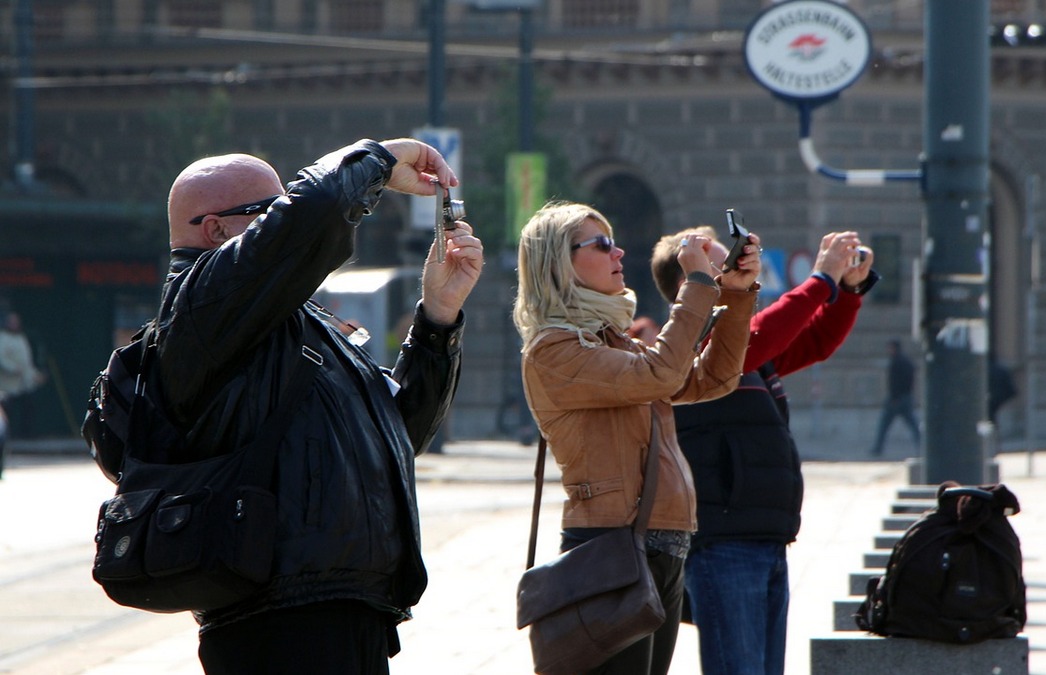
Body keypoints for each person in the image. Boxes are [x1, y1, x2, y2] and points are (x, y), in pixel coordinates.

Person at [150, 138, 482, 674]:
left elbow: (397, 439)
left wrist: (438, 319)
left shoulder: (299, 322)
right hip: (278, 623)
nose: (284, 222)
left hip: (343, 611)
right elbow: (315, 213)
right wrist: (378, 158)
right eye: (269, 213)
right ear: (214, 230)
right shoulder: (201, 304)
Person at [513, 202, 761, 675]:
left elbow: (714, 380)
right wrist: (698, 285)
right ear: (558, 262)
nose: (618, 251)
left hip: (662, 542)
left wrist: (736, 295)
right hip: (610, 543)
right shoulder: (553, 349)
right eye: (601, 244)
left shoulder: (613, 340)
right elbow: (661, 372)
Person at [651, 226, 878, 675]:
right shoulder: (688, 350)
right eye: (723, 263)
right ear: (688, 283)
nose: (740, 267)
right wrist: (822, 280)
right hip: (723, 542)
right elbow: (759, 336)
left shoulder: (739, 347)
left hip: (765, 537)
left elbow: (814, 340)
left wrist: (848, 290)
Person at [0, 310, 47, 440]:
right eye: (12, 322)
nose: (15, 324)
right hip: (7, 384)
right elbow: (2, 359)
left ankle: (27, 435)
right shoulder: (2, 338)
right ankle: (7, 437)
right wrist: (14, 369)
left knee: (28, 409)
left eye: (16, 321)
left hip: (24, 383)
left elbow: (27, 363)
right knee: (7, 413)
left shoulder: (21, 338)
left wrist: (36, 375)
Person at [871, 338, 921, 457]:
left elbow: (894, 382)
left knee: (884, 425)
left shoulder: (896, 362)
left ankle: (878, 448)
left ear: (894, 348)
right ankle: (922, 446)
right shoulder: (906, 361)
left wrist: (895, 397)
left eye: (890, 347)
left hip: (896, 399)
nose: (888, 350)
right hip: (905, 397)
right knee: (913, 424)